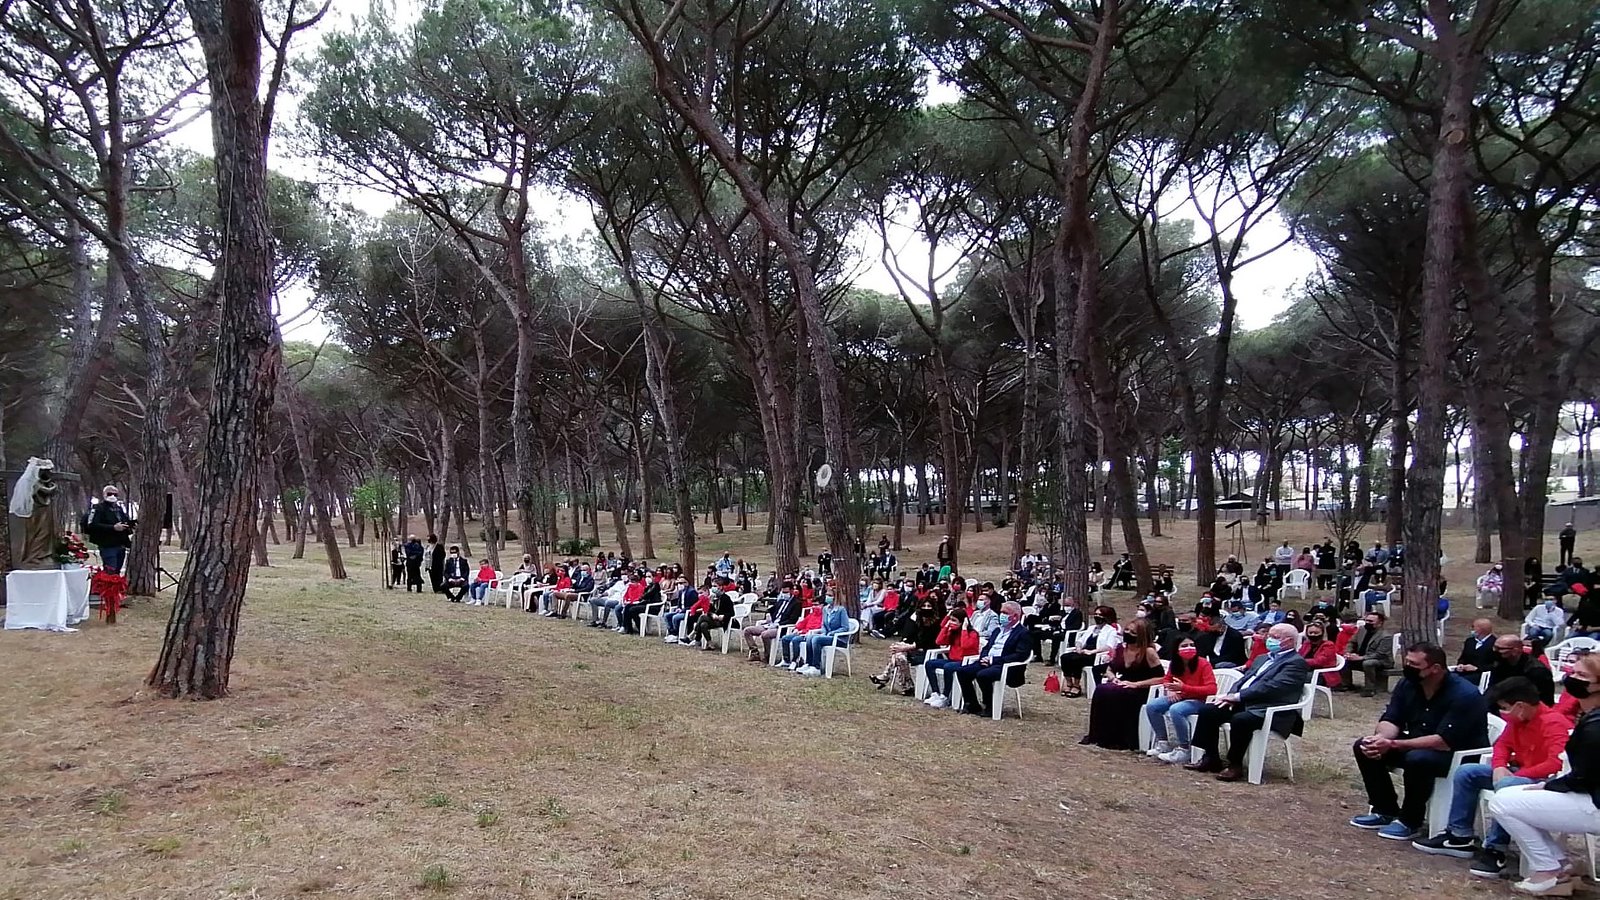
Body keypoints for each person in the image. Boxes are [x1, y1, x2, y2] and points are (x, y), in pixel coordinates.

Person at [1409, 676, 1571, 873]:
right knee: (1467, 772)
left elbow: (1555, 762)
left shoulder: (1553, 723)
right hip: (1515, 771)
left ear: (1519, 706)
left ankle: (1496, 849)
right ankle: (1459, 836)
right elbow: (1502, 745)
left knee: (1508, 786)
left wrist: (1516, 774)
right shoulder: (1519, 720)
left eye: (1504, 707)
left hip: (1542, 780)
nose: (1502, 713)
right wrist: (1499, 766)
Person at [1348, 643, 1491, 841]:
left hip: (1458, 754)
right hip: (1418, 743)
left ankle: (1410, 820)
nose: (1408, 667)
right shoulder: (1407, 685)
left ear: (1436, 669)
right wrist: (1380, 739)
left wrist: (1394, 745)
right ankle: (1385, 809)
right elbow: (1391, 719)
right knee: (1364, 746)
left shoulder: (1465, 694)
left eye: (1414, 664)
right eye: (1407, 662)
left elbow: (1443, 741)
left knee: (1418, 759)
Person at [1485, 654, 1600, 896]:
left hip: (1592, 801)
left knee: (1503, 802)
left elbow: (1586, 774)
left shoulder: (1595, 725)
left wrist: (1550, 786)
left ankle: (1547, 868)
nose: (1572, 678)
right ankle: (1558, 865)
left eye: (1582, 676)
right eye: (1573, 672)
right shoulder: (1588, 716)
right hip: (1584, 792)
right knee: (1511, 794)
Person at [1184, 623, 1312, 780]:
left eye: (1275, 637)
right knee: (1208, 711)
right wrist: (1231, 696)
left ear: (1290, 641)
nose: (1269, 639)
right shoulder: (1262, 658)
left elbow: (1272, 688)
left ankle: (1235, 764)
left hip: (1269, 708)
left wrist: (1238, 697)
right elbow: (1243, 680)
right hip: (1244, 702)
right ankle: (1211, 758)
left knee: (1241, 720)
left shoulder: (1296, 663)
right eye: (1269, 636)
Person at [1081, 619, 1165, 750]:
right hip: (1122, 683)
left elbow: (1161, 678)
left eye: (1133, 632)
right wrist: (1113, 678)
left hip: (1141, 688)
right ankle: (1100, 734)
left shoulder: (1148, 652)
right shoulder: (1121, 649)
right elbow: (1109, 669)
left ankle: (1120, 738)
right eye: (1127, 630)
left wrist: (1136, 684)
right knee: (1102, 690)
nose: (1128, 633)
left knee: (1118, 695)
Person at [1146, 636, 1219, 763]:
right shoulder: (1175, 663)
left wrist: (1184, 688)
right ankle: (1163, 742)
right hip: (1180, 696)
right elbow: (1167, 679)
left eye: (1192, 645)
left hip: (1199, 701)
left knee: (1176, 710)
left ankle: (1184, 748)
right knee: (1152, 706)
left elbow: (1211, 689)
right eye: (1184, 646)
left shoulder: (1203, 664)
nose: (1189, 648)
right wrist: (1171, 689)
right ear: (1176, 649)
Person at [952, 601, 1032, 716]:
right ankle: (972, 704)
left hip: (1005, 666)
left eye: (1005, 613)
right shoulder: (997, 630)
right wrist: (985, 657)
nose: (1001, 616)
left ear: (1015, 616)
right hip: (988, 662)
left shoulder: (1023, 633)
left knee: (983, 675)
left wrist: (993, 660)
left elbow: (1020, 655)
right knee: (962, 671)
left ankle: (990, 706)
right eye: (1001, 612)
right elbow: (987, 647)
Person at [873, 596, 944, 695]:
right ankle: (907, 685)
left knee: (899, 654)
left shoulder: (936, 623)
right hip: (912, 649)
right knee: (899, 655)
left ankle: (888, 677)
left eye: (929, 606)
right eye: (924, 606)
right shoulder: (916, 619)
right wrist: (901, 645)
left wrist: (906, 647)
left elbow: (927, 642)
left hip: (927, 652)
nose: (926, 608)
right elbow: (907, 635)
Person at [923, 603, 981, 708]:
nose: (952, 623)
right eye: (951, 620)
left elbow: (965, 645)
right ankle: (935, 693)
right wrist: (946, 627)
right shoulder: (953, 632)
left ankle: (945, 696)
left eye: (954, 621)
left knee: (948, 667)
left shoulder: (972, 634)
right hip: (952, 659)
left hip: (965, 662)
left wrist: (964, 629)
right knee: (929, 664)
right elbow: (939, 641)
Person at [1058, 606, 1121, 698]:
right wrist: (1079, 647)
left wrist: (1092, 652)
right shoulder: (1091, 628)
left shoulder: (1111, 630)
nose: (1097, 616)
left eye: (1100, 615)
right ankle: (1069, 683)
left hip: (1095, 655)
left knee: (1076, 660)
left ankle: (1076, 685)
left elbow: (1109, 646)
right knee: (1065, 657)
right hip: (1084, 651)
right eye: (1096, 614)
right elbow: (1081, 640)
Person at [1486, 633, 1557, 706]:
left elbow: (1542, 701)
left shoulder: (1537, 671)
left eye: (1500, 649)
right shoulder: (1500, 663)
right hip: (1501, 705)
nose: (1495, 651)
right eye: (1494, 647)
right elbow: (1492, 688)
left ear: (1515, 650)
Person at [1342, 610, 1396, 697]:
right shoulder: (1362, 630)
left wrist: (1361, 658)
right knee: (1344, 660)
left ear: (1379, 623)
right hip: (1361, 657)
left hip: (1382, 661)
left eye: (1370, 621)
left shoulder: (1386, 636)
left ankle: (1369, 689)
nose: (1367, 623)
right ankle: (1346, 685)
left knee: (1368, 663)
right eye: (1366, 620)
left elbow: (1380, 654)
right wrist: (1348, 653)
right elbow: (1352, 642)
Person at [83, 484, 134, 574]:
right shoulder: (98, 508)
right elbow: (92, 525)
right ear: (104, 494)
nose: (112, 496)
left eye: (115, 494)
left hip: (121, 545)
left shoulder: (118, 509)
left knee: (117, 572)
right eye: (110, 494)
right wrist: (113, 528)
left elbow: (125, 521)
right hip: (107, 545)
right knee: (110, 571)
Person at [797, 594, 852, 676]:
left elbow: (845, 627)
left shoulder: (841, 610)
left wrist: (832, 633)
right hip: (827, 636)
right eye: (827, 595)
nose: (827, 597)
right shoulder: (825, 609)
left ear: (835, 597)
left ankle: (816, 667)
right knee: (809, 638)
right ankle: (809, 664)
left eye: (830, 595)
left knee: (816, 640)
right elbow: (823, 625)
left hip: (839, 639)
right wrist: (823, 632)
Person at [742, 586, 798, 660]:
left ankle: (767, 656)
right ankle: (754, 652)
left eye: (786, 592)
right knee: (747, 630)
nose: (784, 594)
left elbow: (792, 620)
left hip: (781, 627)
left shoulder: (796, 604)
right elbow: (771, 609)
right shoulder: (780, 601)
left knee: (765, 635)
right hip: (770, 625)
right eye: (783, 592)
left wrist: (778, 624)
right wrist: (768, 614)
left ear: (791, 591)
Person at [688, 582, 735, 650]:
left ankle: (694, 635)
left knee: (702, 617)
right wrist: (712, 614)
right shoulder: (713, 597)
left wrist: (724, 616)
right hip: (714, 619)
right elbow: (709, 611)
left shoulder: (726, 598)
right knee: (703, 624)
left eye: (715, 586)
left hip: (722, 621)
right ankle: (710, 643)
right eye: (712, 586)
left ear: (720, 587)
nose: (713, 588)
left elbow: (732, 613)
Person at [1301, 621, 1342, 690]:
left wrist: (1302, 661)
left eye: (1316, 633)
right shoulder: (1306, 644)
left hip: (1323, 675)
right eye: (1310, 633)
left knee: (1295, 677)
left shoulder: (1329, 645)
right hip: (1306, 670)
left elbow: (1320, 661)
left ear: (1322, 633)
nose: (1313, 635)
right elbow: (1299, 655)